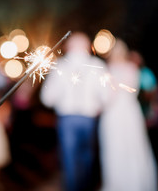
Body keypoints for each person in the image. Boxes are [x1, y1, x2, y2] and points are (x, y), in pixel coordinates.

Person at [40, 32, 110, 191]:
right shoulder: (97, 64)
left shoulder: (60, 65)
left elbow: (47, 98)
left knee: (69, 159)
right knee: (87, 158)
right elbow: (106, 96)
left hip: (67, 119)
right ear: (87, 46)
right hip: (89, 119)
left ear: (68, 46)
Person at [99, 39, 158, 191]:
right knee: (133, 148)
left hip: (113, 113)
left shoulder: (107, 69)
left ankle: (118, 184)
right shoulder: (133, 68)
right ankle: (136, 183)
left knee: (116, 147)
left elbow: (107, 96)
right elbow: (136, 89)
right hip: (130, 112)